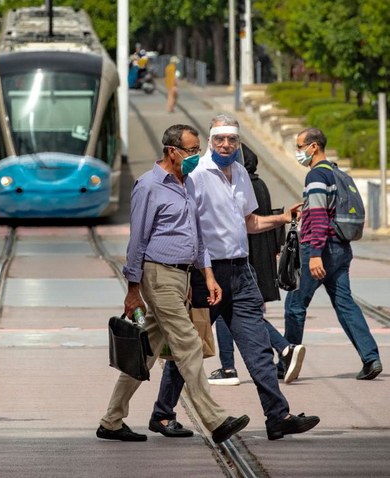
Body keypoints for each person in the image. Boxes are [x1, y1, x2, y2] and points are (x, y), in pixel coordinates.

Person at [156, 114, 320, 441]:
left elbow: (250, 223)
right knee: (190, 348)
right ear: (211, 140)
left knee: (258, 347)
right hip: (206, 275)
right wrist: (197, 275)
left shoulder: (242, 173)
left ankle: (278, 416)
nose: (226, 144)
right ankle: (162, 414)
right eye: (220, 139)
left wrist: (283, 217)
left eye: (232, 139)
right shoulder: (197, 175)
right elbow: (191, 229)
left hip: (241, 273)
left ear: (238, 141)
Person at [97, 124, 250, 444]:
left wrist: (206, 276)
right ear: (171, 151)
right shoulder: (149, 186)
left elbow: (198, 236)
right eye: (192, 151)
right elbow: (137, 240)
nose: (197, 156)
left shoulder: (189, 184)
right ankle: (215, 419)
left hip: (182, 277)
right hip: (157, 274)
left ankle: (111, 421)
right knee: (189, 344)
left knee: (147, 351)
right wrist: (133, 289)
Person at [284, 127, 383, 380]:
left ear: (313, 146)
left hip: (319, 249)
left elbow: (318, 217)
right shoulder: (337, 172)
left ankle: (287, 362)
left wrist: (315, 253)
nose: (298, 152)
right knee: (345, 303)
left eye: (300, 147)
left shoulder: (316, 176)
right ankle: (371, 358)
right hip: (341, 248)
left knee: (295, 304)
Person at [209, 144, 305, 386]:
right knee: (243, 313)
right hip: (260, 258)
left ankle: (230, 368)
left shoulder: (240, 184)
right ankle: (283, 350)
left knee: (228, 311)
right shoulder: (259, 184)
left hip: (242, 260)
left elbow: (245, 224)